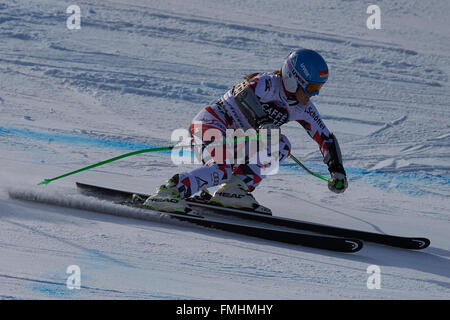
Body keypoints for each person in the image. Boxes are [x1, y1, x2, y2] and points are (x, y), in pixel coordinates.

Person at [144, 49, 348, 214]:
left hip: (236, 138)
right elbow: (243, 93)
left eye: (318, 88)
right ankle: (169, 191)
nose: (315, 93)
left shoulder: (304, 109)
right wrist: (263, 121)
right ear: (292, 79)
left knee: (281, 144)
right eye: (311, 87)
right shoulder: (267, 83)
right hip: (211, 125)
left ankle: (234, 189)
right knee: (221, 169)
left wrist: (336, 169)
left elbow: (325, 138)